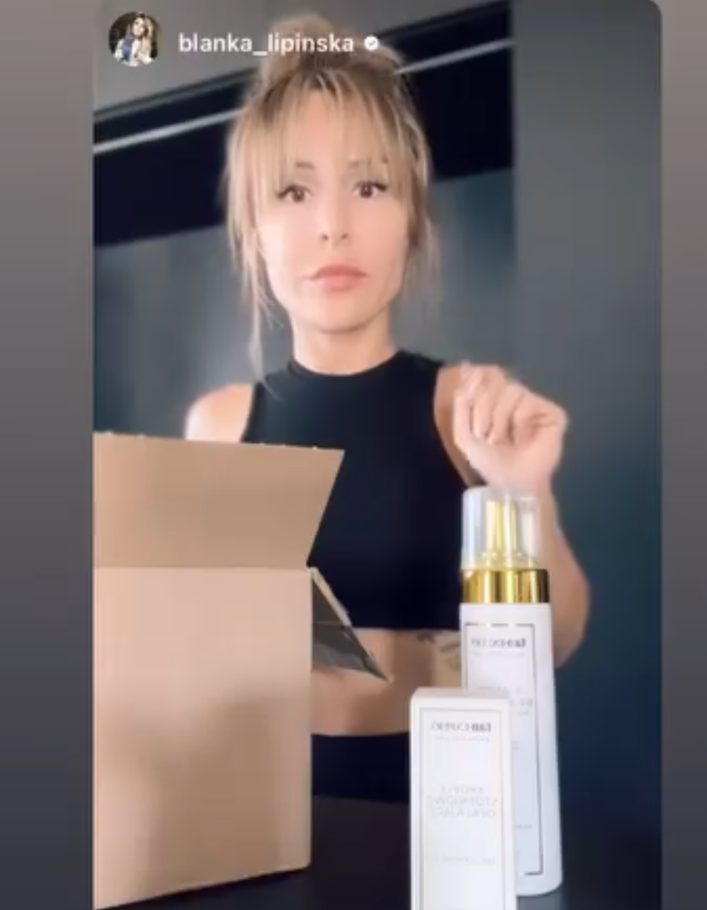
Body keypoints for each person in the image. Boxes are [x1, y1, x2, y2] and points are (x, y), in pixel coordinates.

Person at [185, 14, 590, 802]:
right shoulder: (217, 428)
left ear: (410, 221)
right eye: (294, 191)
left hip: (450, 817)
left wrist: (525, 493)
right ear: (256, 234)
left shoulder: (470, 407)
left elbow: (556, 642)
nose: (333, 225)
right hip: (254, 817)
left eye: (369, 187)